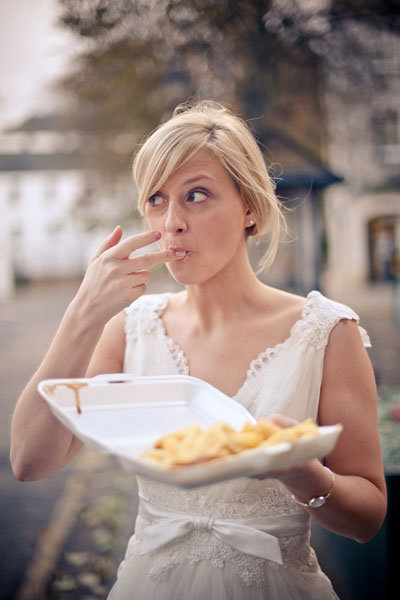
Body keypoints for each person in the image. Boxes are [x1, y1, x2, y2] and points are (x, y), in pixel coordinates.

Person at [10, 101, 387, 599]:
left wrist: (305, 474)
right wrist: (82, 315)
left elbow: (368, 520)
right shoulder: (130, 330)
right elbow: (29, 461)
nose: (172, 222)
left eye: (196, 195)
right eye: (156, 199)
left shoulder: (325, 331)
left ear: (250, 206)